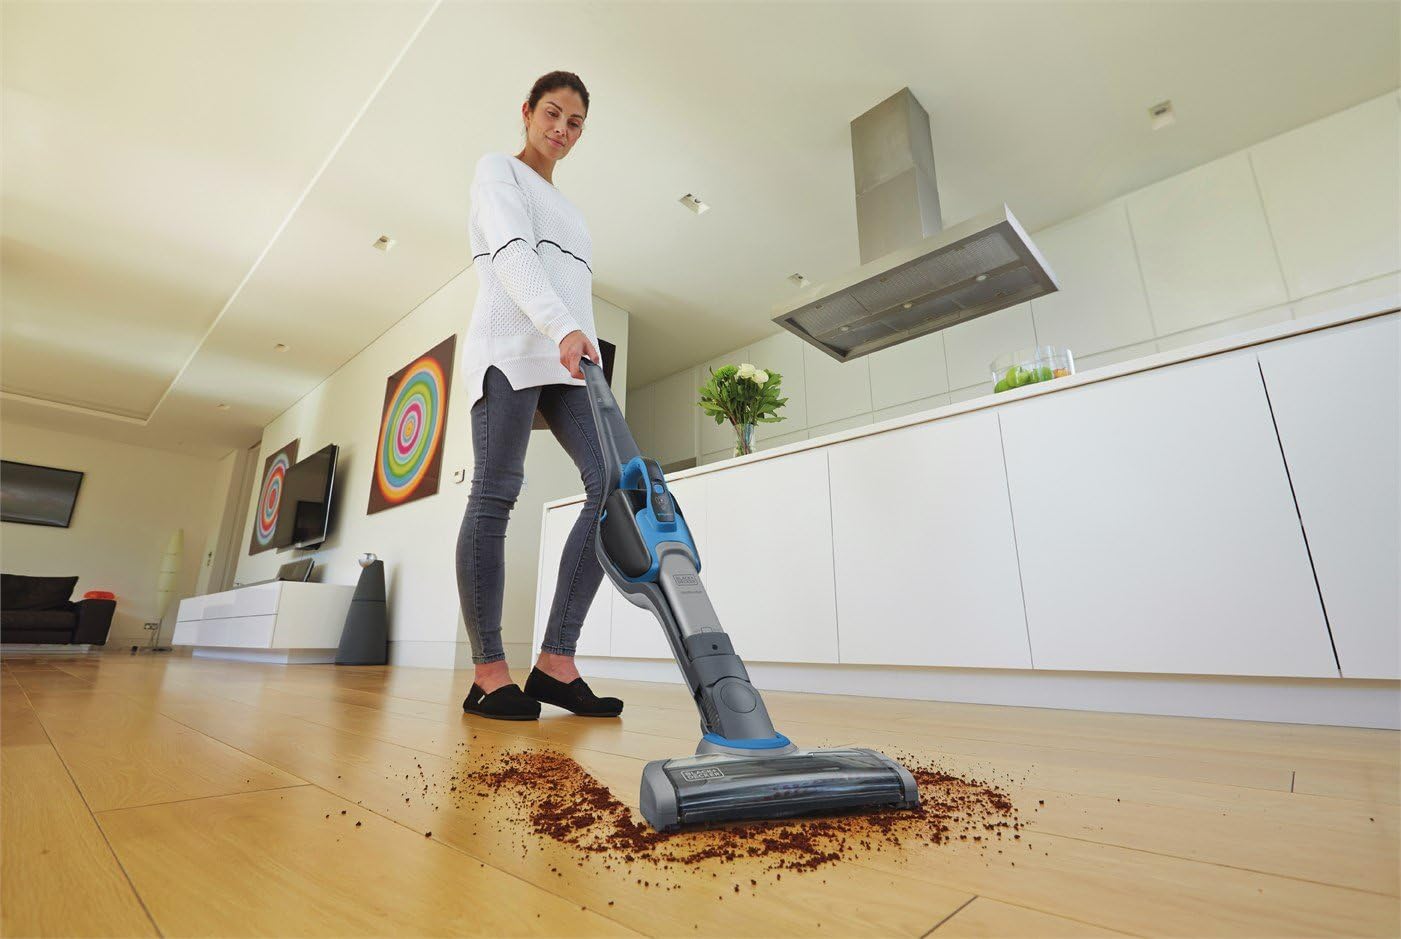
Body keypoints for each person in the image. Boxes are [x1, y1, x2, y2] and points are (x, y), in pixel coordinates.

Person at [457, 70, 623, 721]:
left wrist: (585, 346)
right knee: (496, 491)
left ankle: (555, 663)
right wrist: (560, 328)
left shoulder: (574, 215)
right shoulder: (497, 170)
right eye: (552, 113)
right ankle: (488, 674)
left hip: (566, 358)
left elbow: (574, 290)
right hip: (510, 345)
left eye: (574, 122)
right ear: (526, 111)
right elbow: (512, 253)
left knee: (613, 484)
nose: (561, 129)